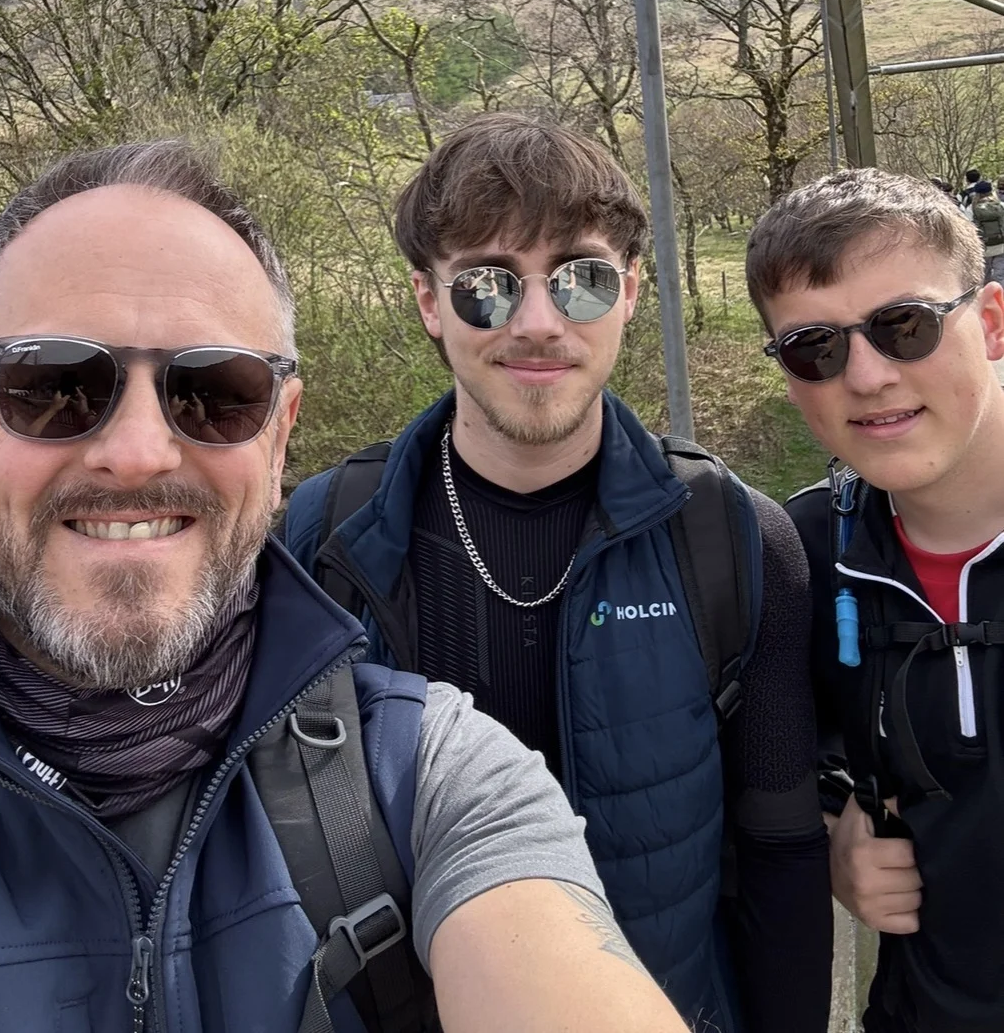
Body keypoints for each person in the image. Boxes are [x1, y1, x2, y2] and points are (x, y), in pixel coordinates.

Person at [0, 140, 686, 1033]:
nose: (138, 453)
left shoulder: (431, 780)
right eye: (53, 385)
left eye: (214, 392)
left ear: (278, 440)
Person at [284, 113, 833, 1033]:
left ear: (630, 293)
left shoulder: (731, 537)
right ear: (427, 302)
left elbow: (779, 853)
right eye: (486, 286)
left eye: (580, 279)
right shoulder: (327, 536)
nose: (537, 324)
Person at [747, 167, 1004, 1033]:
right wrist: (833, 842)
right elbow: (780, 761)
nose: (864, 376)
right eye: (813, 347)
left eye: (905, 326)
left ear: (990, 323)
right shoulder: (798, 557)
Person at [968, 179, 1004, 284]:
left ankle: (986, 292)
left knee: (984, 275)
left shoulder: (972, 208)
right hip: (1001, 245)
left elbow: (970, 227)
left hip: (984, 246)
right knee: (1000, 275)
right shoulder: (1001, 205)